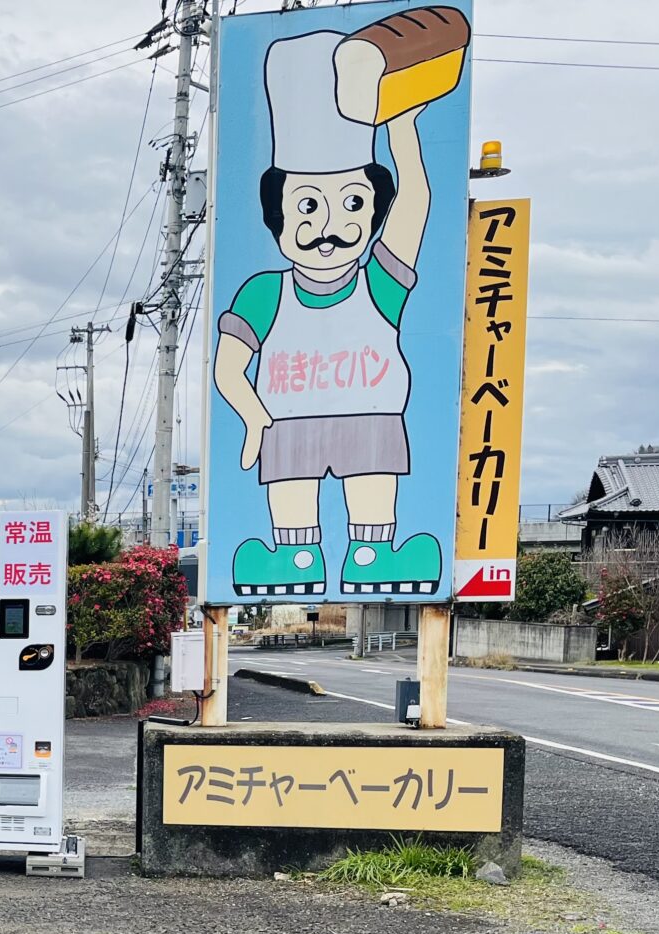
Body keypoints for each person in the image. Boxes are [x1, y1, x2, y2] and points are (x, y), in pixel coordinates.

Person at [213, 12, 462, 599]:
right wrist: (253, 415)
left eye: (353, 203)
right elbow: (227, 364)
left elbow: (417, 204)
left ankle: (372, 553)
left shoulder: (381, 281)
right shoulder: (263, 292)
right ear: (276, 221)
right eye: (306, 207)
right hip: (286, 423)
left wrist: (402, 130)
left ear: (374, 214)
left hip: (370, 417)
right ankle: (296, 557)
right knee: (292, 495)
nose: (329, 227)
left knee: (372, 484)